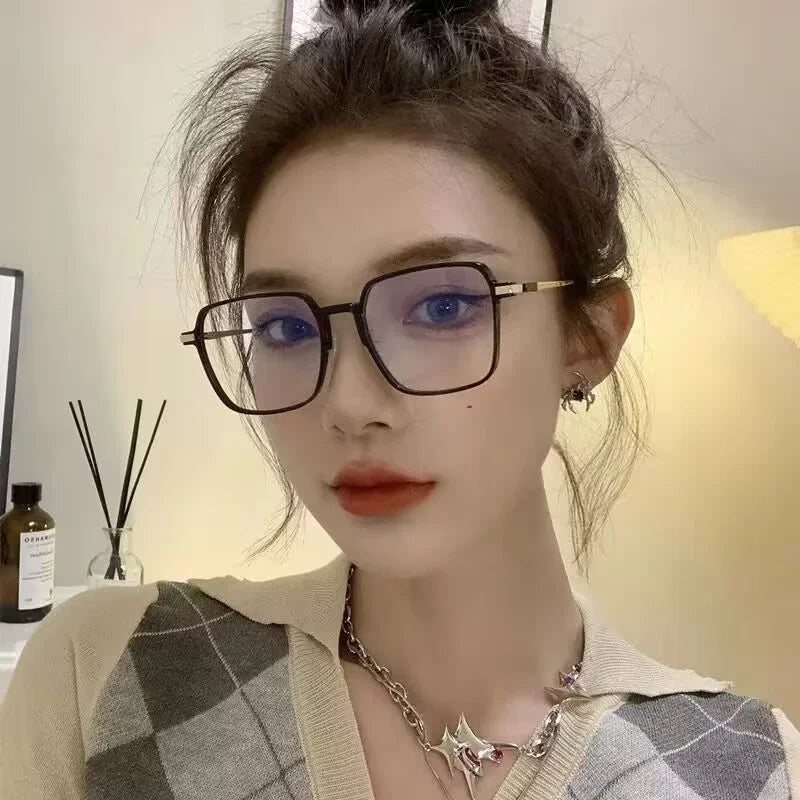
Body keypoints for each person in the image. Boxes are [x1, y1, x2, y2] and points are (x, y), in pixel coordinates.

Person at [2, 0, 798, 798]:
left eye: (442, 306)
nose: (349, 403)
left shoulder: (748, 769)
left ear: (588, 337)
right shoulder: (108, 675)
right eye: (285, 326)